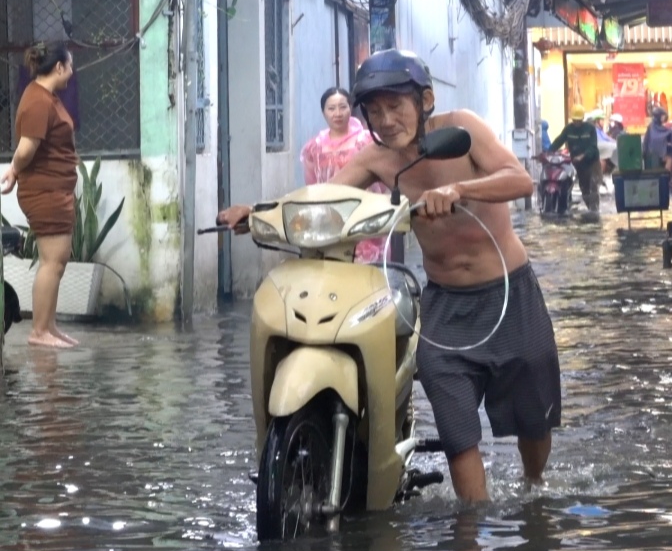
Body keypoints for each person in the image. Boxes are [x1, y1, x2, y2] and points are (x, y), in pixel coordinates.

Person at [217, 49, 562, 503]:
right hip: (445, 302)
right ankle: (472, 527)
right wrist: (260, 213)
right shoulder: (377, 158)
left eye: (396, 105)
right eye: (375, 110)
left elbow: (519, 179)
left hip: (509, 292)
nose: (386, 119)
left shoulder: (462, 129)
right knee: (457, 426)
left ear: (425, 100)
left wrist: (459, 189)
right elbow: (321, 197)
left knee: (533, 419)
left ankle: (534, 488)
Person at [0, 41, 79, 349]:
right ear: (58, 67)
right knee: (52, 261)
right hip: (45, 192)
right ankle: (39, 331)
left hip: (55, 189)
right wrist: (14, 170)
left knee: (57, 262)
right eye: (69, 66)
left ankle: (50, 326)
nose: (71, 72)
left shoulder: (46, 97)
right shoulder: (37, 101)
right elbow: (26, 149)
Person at [300, 86, 387, 263]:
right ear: (323, 112)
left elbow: (385, 182)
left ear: (351, 108)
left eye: (342, 107)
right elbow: (312, 187)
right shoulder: (314, 148)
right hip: (330, 221)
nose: (337, 113)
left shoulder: (369, 141)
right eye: (331, 108)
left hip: (366, 219)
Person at [548, 104, 600, 212]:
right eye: (575, 120)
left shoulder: (590, 129)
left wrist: (584, 155)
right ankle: (590, 208)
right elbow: (559, 141)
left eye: (579, 120)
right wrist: (548, 152)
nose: (577, 123)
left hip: (592, 162)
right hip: (579, 164)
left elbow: (593, 146)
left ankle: (595, 211)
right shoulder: (569, 129)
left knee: (593, 185)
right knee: (584, 188)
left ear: (582, 119)